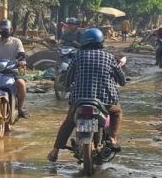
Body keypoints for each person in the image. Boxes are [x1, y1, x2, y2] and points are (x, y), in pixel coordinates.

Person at [49, 28, 127, 163]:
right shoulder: (109, 57)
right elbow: (122, 80)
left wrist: (69, 84)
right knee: (116, 112)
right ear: (101, 42)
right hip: (105, 101)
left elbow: (67, 79)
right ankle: (113, 138)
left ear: (84, 42)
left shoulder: (77, 56)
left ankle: (55, 151)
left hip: (79, 100)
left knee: (69, 122)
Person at [0, 18, 29, 119]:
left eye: (6, 29)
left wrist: (21, 61)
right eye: (1, 29)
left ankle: (20, 108)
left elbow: (21, 55)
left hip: (11, 71)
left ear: (11, 30)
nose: (4, 31)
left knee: (21, 84)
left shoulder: (16, 42)